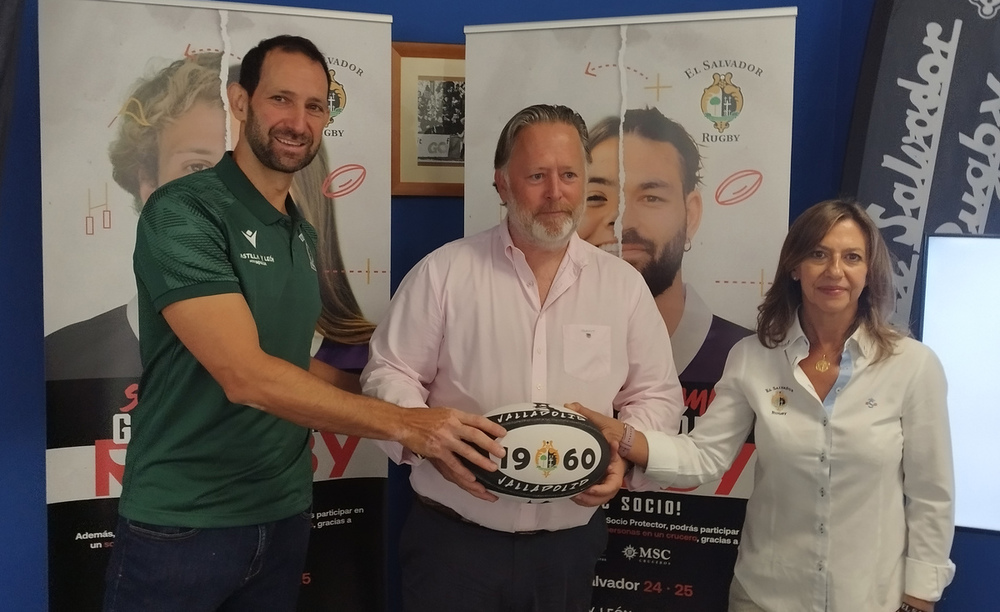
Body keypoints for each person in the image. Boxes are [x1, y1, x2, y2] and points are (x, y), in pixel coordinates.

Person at [102, 35, 505, 612]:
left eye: (316, 106)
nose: (298, 121)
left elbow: (295, 369)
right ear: (240, 103)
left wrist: (428, 390)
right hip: (185, 523)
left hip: (283, 512)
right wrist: (409, 425)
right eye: (281, 100)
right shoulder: (185, 211)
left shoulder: (299, 230)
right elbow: (247, 377)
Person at [361, 103, 685, 611]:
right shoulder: (443, 274)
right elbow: (389, 373)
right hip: (453, 544)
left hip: (567, 549)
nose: (556, 193)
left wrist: (624, 451)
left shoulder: (622, 287)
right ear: (502, 184)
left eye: (569, 175)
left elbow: (656, 394)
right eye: (537, 175)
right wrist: (431, 441)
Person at [573, 198, 955, 612]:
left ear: (868, 271)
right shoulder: (752, 358)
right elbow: (705, 455)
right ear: (794, 267)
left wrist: (919, 596)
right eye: (818, 254)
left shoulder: (913, 366)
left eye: (852, 257)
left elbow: (931, 494)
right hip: (768, 598)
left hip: (870, 599)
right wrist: (626, 438)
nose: (834, 271)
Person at [585, 108, 752, 388]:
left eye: (651, 197)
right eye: (596, 197)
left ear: (692, 214)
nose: (621, 222)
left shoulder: (746, 359)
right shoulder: (538, 347)